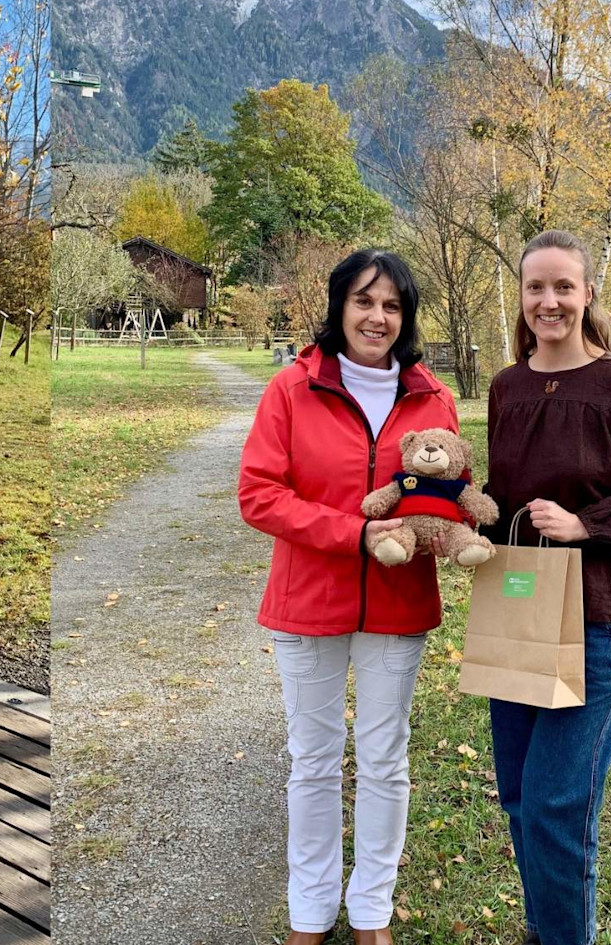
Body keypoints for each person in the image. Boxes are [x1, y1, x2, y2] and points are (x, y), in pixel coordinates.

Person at [238, 250, 460, 945]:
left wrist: (448, 526)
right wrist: (355, 533)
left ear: (407, 317)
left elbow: (449, 489)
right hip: (309, 598)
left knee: (386, 757)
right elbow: (259, 495)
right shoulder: (291, 389)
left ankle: (371, 912)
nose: (377, 316)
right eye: (365, 300)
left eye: (392, 305)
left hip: (399, 604)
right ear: (339, 307)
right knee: (313, 759)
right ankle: (311, 911)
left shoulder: (434, 397)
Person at [481, 230, 611, 945]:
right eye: (536, 286)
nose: (550, 300)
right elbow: (500, 492)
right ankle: (546, 930)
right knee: (518, 797)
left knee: (556, 804)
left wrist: (584, 523)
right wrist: (462, 519)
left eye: (564, 286)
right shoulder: (506, 386)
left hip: (596, 618)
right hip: (516, 607)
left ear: (588, 293)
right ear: (521, 294)